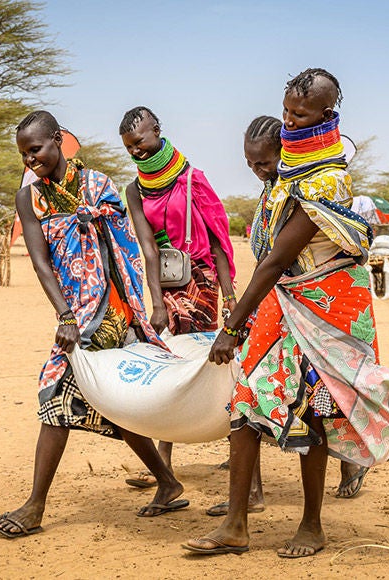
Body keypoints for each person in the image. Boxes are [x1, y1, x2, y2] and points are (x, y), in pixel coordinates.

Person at [183, 69, 389, 558]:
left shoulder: (326, 179)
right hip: (281, 303)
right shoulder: (286, 172)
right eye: (286, 110)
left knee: (316, 410)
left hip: (323, 309)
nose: (289, 121)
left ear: (328, 116)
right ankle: (235, 523)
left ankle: (311, 525)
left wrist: (231, 325)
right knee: (245, 402)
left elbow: (276, 259)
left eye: (300, 115)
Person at [0, 111, 187, 539]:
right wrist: (64, 314)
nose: (30, 161)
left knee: (57, 393)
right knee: (114, 404)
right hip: (76, 314)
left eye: (36, 149)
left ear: (58, 140)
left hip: (113, 311)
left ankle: (35, 506)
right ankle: (168, 483)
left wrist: (144, 304)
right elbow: (42, 264)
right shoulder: (29, 199)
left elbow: (126, 245)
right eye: (24, 154)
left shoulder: (98, 186)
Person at [118, 106, 237, 489]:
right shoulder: (135, 189)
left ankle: (238, 448)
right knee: (167, 363)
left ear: (157, 130)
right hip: (162, 285)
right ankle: (164, 465)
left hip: (200, 281)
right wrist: (155, 304)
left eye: (141, 142)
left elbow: (218, 240)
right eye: (129, 148)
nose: (136, 152)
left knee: (206, 364)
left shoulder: (191, 179)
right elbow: (148, 249)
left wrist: (230, 293)